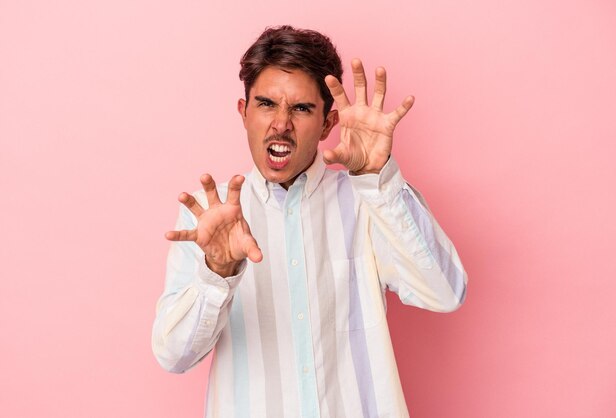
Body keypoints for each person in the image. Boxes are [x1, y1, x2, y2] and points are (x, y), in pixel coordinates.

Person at [152, 25, 467, 418]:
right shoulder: (207, 215)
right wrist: (218, 272)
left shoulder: (367, 199)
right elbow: (173, 356)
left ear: (327, 123)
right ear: (243, 112)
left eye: (301, 108)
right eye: (266, 103)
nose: (281, 124)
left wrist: (379, 178)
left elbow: (446, 293)